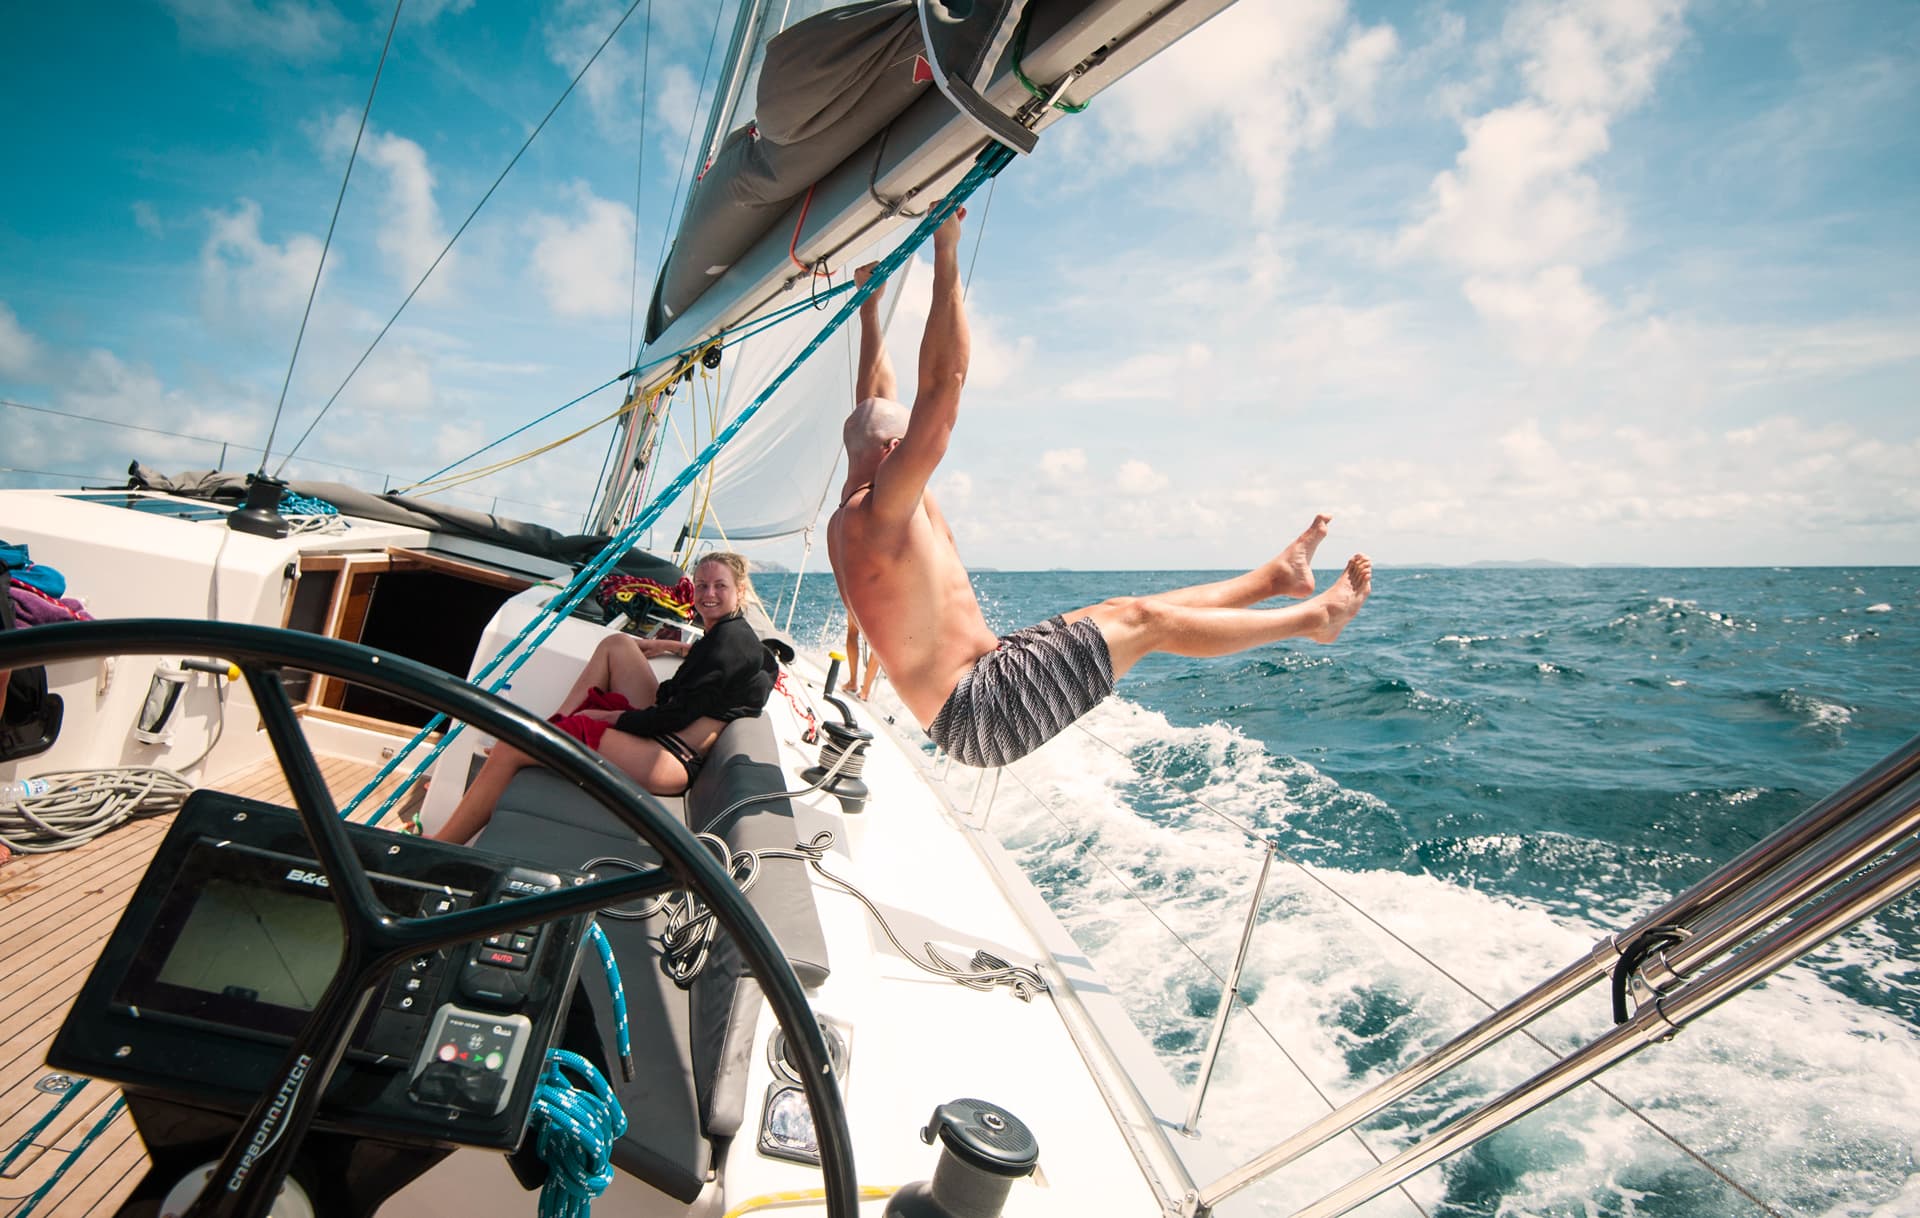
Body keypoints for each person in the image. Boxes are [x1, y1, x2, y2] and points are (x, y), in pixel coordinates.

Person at [826, 208, 1373, 769]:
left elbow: (874, 399)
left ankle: (1274, 580)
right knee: (1142, 621)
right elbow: (943, 388)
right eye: (903, 441)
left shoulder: (852, 514)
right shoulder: (884, 510)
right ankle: (1316, 621)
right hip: (978, 710)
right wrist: (947, 247)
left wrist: (871, 312)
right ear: (893, 452)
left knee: (1115, 610)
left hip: (978, 681)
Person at [432, 552, 777, 843]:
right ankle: (555, 727)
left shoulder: (729, 645)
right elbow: (761, 666)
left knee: (514, 748)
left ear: (740, 591)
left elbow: (673, 716)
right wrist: (677, 647)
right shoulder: (729, 636)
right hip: (663, 733)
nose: (708, 594)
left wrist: (608, 718)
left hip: (667, 756)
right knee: (618, 645)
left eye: (720, 586)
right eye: (701, 585)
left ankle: (440, 843)